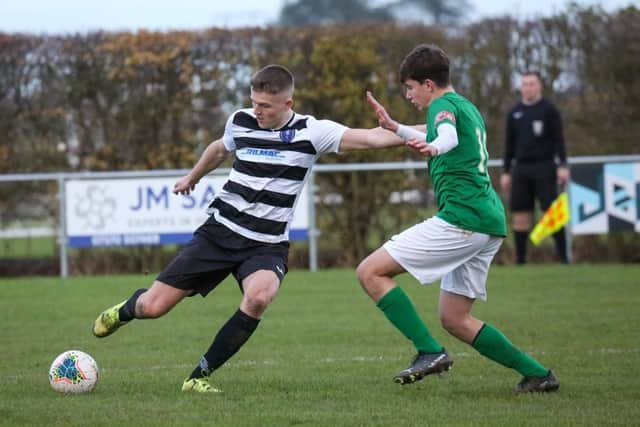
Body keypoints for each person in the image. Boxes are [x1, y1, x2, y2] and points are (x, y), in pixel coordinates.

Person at [92, 64, 409, 393]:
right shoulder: (240, 121)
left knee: (259, 298)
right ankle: (125, 310)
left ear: (287, 104)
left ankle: (198, 377)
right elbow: (219, 149)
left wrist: (429, 130)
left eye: (265, 106)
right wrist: (191, 178)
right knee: (152, 307)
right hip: (219, 234)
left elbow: (373, 137)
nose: (256, 110)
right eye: (254, 102)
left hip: (266, 245)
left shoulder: (312, 132)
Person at [357, 44, 559, 393]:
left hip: (463, 219)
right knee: (455, 319)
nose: (408, 95)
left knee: (370, 272)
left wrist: (435, 148)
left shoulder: (442, 106)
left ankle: (429, 351)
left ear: (429, 85)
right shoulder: (465, 105)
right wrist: (397, 128)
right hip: (486, 220)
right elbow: (442, 135)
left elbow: (445, 137)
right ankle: (538, 374)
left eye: (410, 87)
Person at [500, 71, 570, 264]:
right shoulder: (514, 112)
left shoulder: (549, 110)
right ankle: (520, 261)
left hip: (545, 166)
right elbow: (509, 145)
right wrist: (506, 171)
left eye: (531, 84)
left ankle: (564, 258)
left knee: (551, 212)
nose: (528, 87)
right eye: (524, 84)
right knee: (520, 213)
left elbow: (559, 140)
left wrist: (562, 165)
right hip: (521, 169)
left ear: (539, 86)